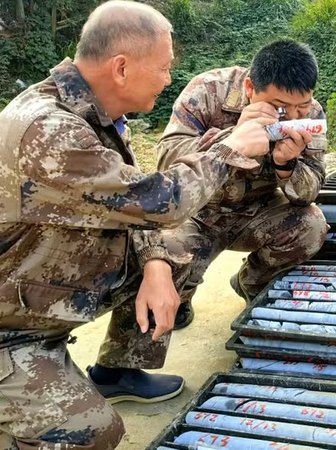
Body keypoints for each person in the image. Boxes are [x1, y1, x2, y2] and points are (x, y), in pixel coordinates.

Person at [0, 2, 272, 448]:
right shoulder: (48, 130)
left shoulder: (89, 113)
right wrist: (231, 147)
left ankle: (118, 370)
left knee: (175, 254)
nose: (168, 80)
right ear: (121, 67)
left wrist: (157, 265)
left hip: (34, 295)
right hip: (10, 328)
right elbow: (157, 201)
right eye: (163, 68)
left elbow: (128, 205)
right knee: (89, 433)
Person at [157, 39, 329, 329]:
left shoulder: (311, 113)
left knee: (311, 226)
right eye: (280, 107)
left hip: (259, 210)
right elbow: (166, 163)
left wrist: (287, 166)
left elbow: (309, 191)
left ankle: (251, 281)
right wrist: (231, 139)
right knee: (163, 250)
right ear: (250, 88)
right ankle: (181, 297)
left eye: (302, 106)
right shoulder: (208, 90)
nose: (293, 116)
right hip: (199, 210)